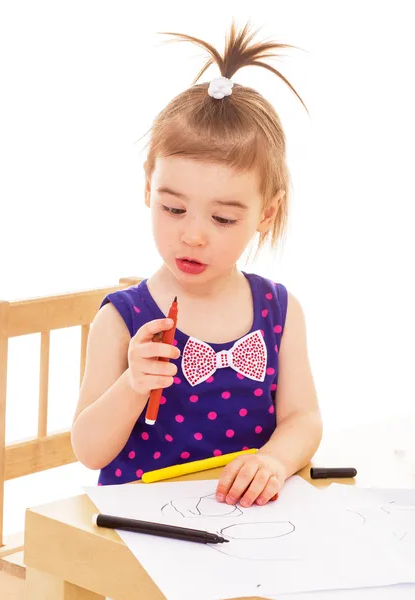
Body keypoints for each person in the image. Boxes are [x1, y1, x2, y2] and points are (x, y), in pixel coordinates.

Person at [71, 22, 322, 509]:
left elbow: (303, 419)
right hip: (143, 527)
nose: (193, 234)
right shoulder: (121, 318)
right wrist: (132, 385)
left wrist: (273, 460)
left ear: (265, 215)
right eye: (173, 208)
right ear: (148, 189)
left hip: (243, 523)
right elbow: (88, 450)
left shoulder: (279, 309)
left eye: (224, 217)